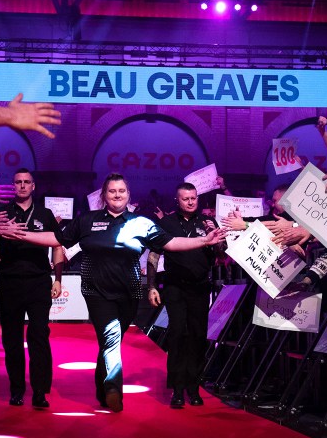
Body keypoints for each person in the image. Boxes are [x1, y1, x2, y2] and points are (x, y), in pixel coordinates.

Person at [11, 173, 226, 413]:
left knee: (110, 342)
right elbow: (55, 238)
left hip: (129, 294)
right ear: (104, 195)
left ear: (128, 195)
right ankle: (114, 388)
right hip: (96, 291)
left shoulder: (141, 223)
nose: (117, 195)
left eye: (121, 191)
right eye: (112, 191)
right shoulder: (87, 220)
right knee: (111, 335)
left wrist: (204, 241)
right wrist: (18, 234)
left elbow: (171, 243)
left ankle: (102, 390)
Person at [0, 169, 64, 409]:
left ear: (34, 186)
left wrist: (58, 279)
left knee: (39, 335)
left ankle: (40, 392)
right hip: (10, 281)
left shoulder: (46, 214)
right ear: (13, 185)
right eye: (18, 182)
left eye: (27, 182)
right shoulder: (2, 212)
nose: (23, 186)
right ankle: (16, 390)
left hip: (39, 282)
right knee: (12, 338)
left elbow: (58, 246)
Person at [146, 183, 220, 408]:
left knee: (197, 336)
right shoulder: (166, 223)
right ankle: (177, 390)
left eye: (193, 198)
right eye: (185, 198)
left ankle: (193, 387)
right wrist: (151, 286)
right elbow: (153, 255)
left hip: (200, 287)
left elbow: (221, 253)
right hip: (174, 286)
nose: (190, 202)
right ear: (177, 201)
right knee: (178, 333)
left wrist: (215, 235)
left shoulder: (207, 222)